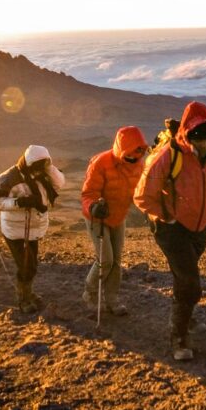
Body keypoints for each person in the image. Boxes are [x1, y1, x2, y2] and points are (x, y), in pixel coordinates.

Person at [134, 101, 206, 361]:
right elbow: (143, 196)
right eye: (197, 136)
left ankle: (185, 318)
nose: (202, 142)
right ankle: (178, 337)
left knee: (185, 277)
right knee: (190, 282)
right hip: (172, 228)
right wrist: (167, 217)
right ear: (187, 132)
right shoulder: (170, 154)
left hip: (200, 227)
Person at [80, 126, 149, 316]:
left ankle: (112, 300)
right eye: (130, 154)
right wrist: (93, 206)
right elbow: (88, 193)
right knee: (106, 259)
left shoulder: (141, 165)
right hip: (97, 216)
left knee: (116, 262)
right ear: (121, 149)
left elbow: (141, 193)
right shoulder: (101, 162)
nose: (134, 158)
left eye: (138, 153)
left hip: (118, 216)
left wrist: (150, 212)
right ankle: (90, 293)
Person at [0, 145, 65, 312]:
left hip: (34, 228)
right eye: (38, 165)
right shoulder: (10, 177)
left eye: (43, 164)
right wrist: (20, 202)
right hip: (15, 229)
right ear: (29, 163)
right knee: (26, 265)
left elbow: (60, 182)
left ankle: (28, 292)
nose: (40, 169)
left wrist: (49, 166)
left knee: (31, 264)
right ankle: (24, 299)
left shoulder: (44, 172)